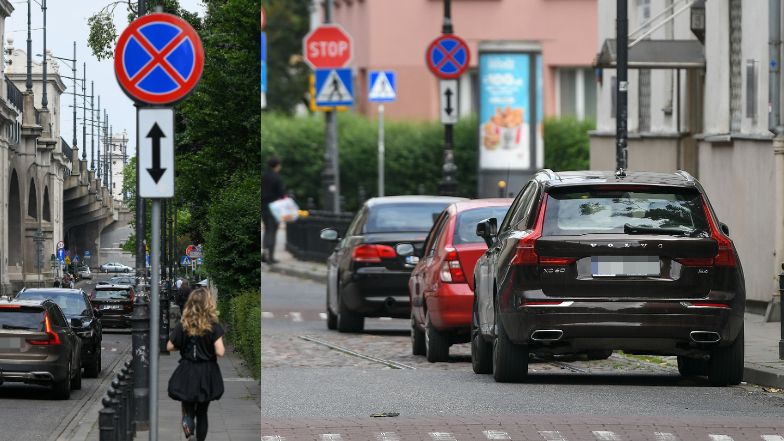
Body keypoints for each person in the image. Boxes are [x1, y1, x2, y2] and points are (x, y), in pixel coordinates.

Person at [166, 288, 225, 441]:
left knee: (188, 406)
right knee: (203, 412)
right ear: (208, 304)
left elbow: (169, 346)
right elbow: (221, 351)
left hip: (187, 370)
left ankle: (187, 423)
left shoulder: (184, 324)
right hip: (207, 372)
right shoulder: (213, 326)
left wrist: (184, 346)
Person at [261, 156, 285, 264]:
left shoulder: (263, 176)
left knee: (267, 230)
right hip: (274, 208)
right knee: (272, 231)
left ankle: (264, 254)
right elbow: (281, 194)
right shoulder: (277, 178)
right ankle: (270, 257)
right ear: (277, 165)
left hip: (263, 206)